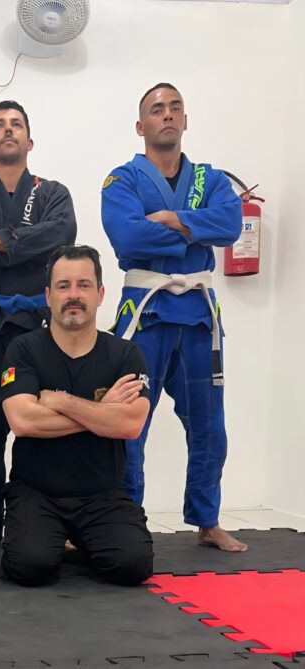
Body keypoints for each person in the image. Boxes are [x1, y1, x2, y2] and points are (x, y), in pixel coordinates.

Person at [101, 83, 246, 552]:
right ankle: (126, 518)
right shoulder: (122, 180)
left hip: (199, 316)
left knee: (210, 427)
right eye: (156, 109)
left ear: (185, 120)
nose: (167, 114)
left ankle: (207, 519)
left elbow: (230, 224)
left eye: (175, 107)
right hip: (146, 312)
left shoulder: (211, 179)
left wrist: (170, 219)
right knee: (130, 424)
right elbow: (127, 237)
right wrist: (195, 228)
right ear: (140, 126)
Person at [0, 100, 77, 550]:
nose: (8, 130)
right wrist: (20, 246)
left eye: (16, 124)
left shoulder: (54, 194)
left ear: (29, 141)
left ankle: (49, 518)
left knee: (47, 423)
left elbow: (60, 235)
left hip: (40, 325)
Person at [0, 245, 153, 586]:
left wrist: (61, 401)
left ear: (100, 294)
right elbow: (23, 421)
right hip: (36, 492)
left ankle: (82, 541)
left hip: (102, 494)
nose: (73, 295)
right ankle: (57, 540)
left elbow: (130, 424)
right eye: (63, 286)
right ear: (48, 296)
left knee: (133, 566)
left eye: (83, 285)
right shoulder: (23, 349)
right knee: (32, 566)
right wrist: (103, 412)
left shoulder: (125, 354)